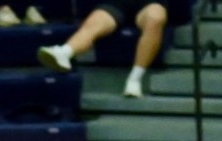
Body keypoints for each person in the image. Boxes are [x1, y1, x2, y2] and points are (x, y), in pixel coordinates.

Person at [37, 0, 169, 99]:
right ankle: (65, 52)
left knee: (155, 18)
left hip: (150, 3)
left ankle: (134, 79)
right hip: (116, 4)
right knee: (94, 22)